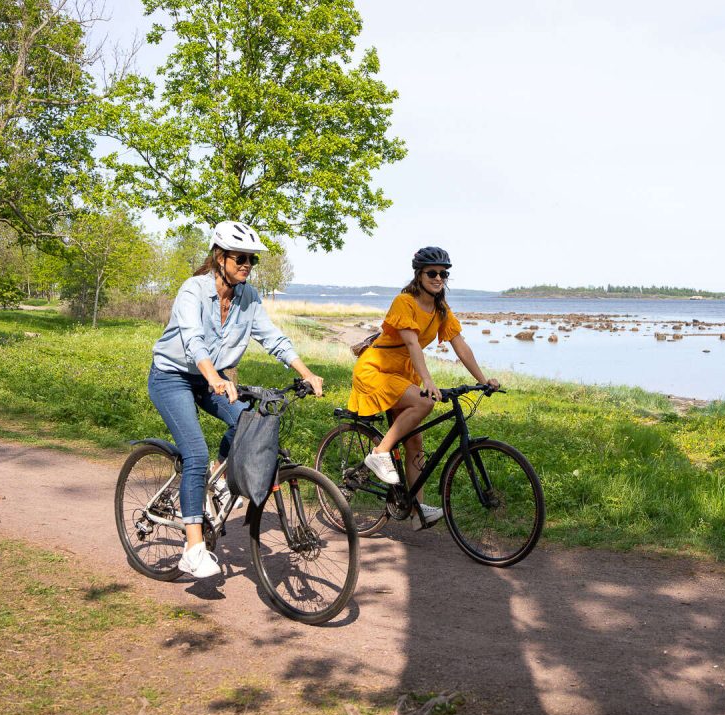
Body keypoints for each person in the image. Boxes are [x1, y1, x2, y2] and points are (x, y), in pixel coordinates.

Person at [149, 220, 324, 579]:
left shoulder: (249, 297)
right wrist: (213, 376)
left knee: (249, 421)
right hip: (172, 377)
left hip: (212, 379)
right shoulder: (193, 290)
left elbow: (272, 337)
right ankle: (193, 549)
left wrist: (305, 371)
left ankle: (215, 480)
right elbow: (191, 338)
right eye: (240, 257)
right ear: (219, 257)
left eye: (251, 260)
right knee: (194, 452)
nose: (247, 264)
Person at [348, 246, 499, 526]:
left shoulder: (440, 309)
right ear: (419, 275)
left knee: (415, 442)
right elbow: (411, 343)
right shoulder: (404, 302)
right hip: (377, 370)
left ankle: (417, 510)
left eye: (444, 274)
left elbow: (460, 345)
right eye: (432, 273)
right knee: (424, 402)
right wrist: (428, 382)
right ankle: (380, 453)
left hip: (403, 375)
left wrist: (482, 380)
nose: (439, 278)